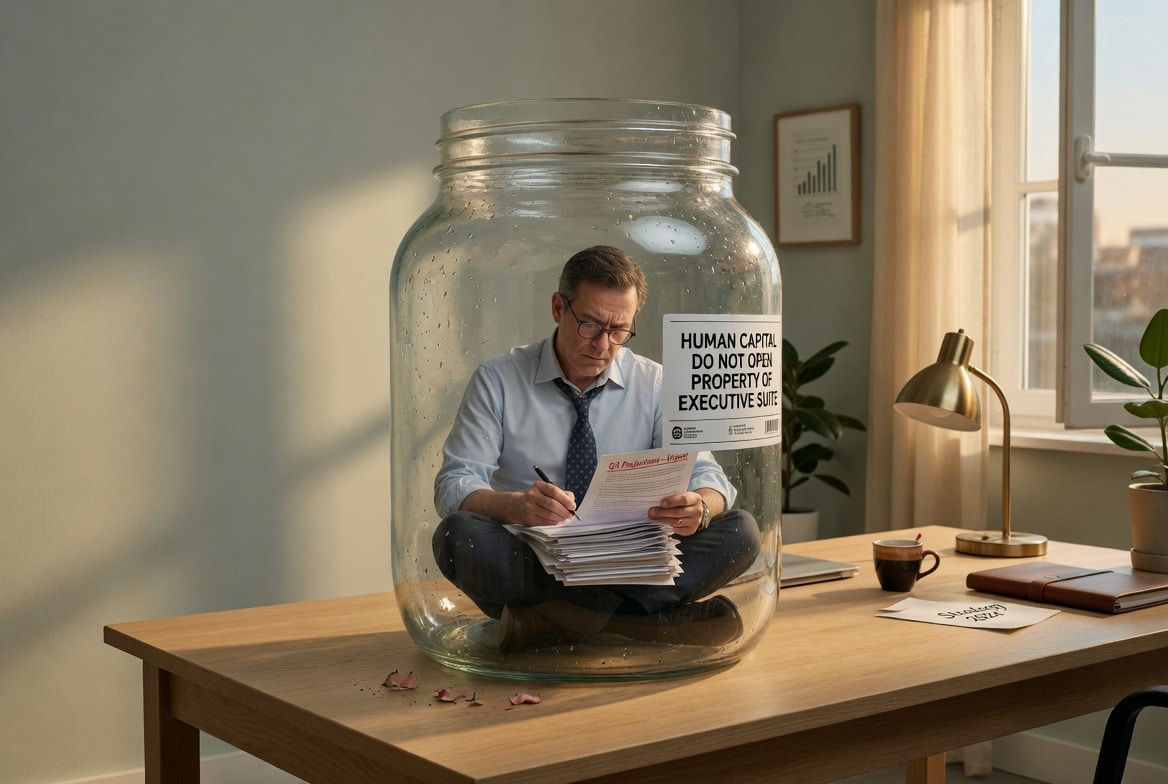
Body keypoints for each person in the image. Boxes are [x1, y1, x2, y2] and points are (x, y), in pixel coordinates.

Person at [433, 245, 761, 653]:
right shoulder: (498, 380)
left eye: (619, 330)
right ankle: (644, 626)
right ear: (558, 307)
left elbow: (710, 479)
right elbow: (454, 484)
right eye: (589, 325)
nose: (603, 344)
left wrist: (700, 505)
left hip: (633, 560)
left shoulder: (655, 383)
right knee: (457, 536)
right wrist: (516, 507)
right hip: (536, 556)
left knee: (740, 530)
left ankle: (550, 622)